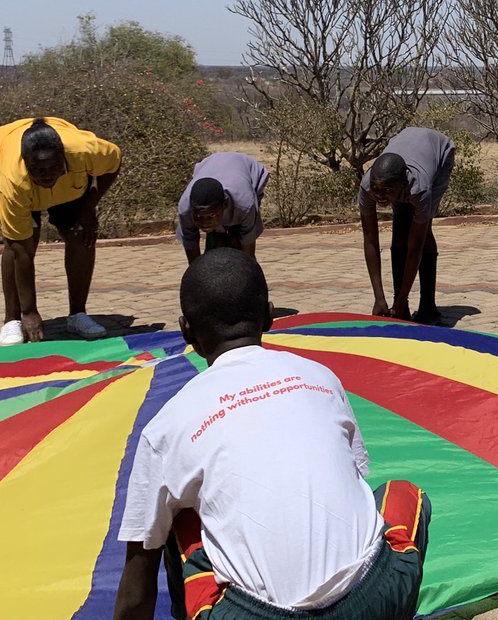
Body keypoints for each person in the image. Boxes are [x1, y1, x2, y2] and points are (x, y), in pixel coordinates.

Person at [114, 249, 431, 620]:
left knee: (174, 517)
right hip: (374, 602)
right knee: (404, 494)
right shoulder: (319, 376)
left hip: (257, 615)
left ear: (186, 330)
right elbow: (352, 478)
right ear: (268, 315)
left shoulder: (167, 426)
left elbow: (138, 585)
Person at [0, 117, 121, 346]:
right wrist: (30, 312)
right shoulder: (12, 180)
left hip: (71, 190)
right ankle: (12, 319)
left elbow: (114, 163)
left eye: (54, 166)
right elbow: (20, 250)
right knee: (19, 244)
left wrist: (88, 207)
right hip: (23, 191)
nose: (47, 174)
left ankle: (77, 315)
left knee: (81, 233)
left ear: (63, 157)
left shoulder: (85, 150)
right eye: (38, 169)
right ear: (26, 163)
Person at [359, 128, 456, 323]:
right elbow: (370, 241)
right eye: (377, 190)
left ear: (404, 184)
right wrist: (379, 298)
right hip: (404, 142)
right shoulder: (368, 186)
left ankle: (428, 306)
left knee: (422, 230)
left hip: (439, 150)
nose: (380, 196)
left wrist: (401, 300)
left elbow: (415, 248)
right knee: (400, 226)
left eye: (387, 191)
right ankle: (398, 305)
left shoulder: (420, 189)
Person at [176, 152, 270, 264]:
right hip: (209, 165)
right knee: (216, 242)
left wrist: (248, 272)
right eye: (199, 216)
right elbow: (190, 245)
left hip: (247, 172)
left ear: (225, 204)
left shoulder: (245, 205)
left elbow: (248, 247)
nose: (205, 223)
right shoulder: (185, 209)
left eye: (211, 216)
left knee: (237, 243)